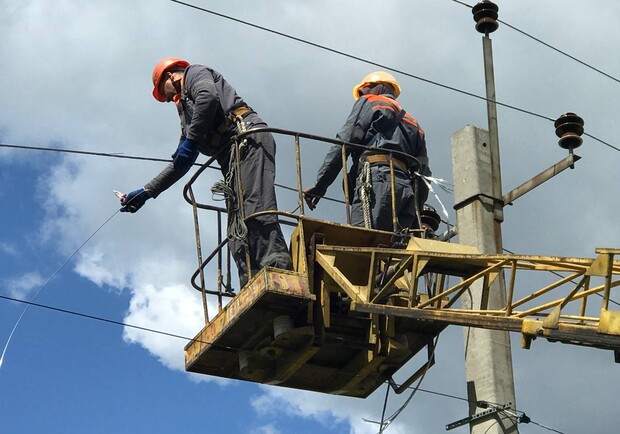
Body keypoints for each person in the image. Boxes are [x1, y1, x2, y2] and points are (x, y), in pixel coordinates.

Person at [120, 58, 292, 288]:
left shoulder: (195, 73)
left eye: (166, 93)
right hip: (231, 157)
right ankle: (250, 280)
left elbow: (208, 97)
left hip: (249, 140)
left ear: (170, 75)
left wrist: (191, 141)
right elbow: (180, 163)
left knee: (254, 204)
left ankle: (276, 263)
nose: (170, 100)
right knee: (236, 227)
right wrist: (146, 191)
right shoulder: (188, 118)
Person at [304, 71, 431, 232]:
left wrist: (320, 186)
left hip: (376, 181)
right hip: (405, 191)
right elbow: (424, 173)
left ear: (377, 87)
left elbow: (344, 141)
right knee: (396, 251)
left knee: (363, 240)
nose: (361, 95)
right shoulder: (414, 123)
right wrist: (415, 210)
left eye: (363, 90)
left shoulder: (371, 102)